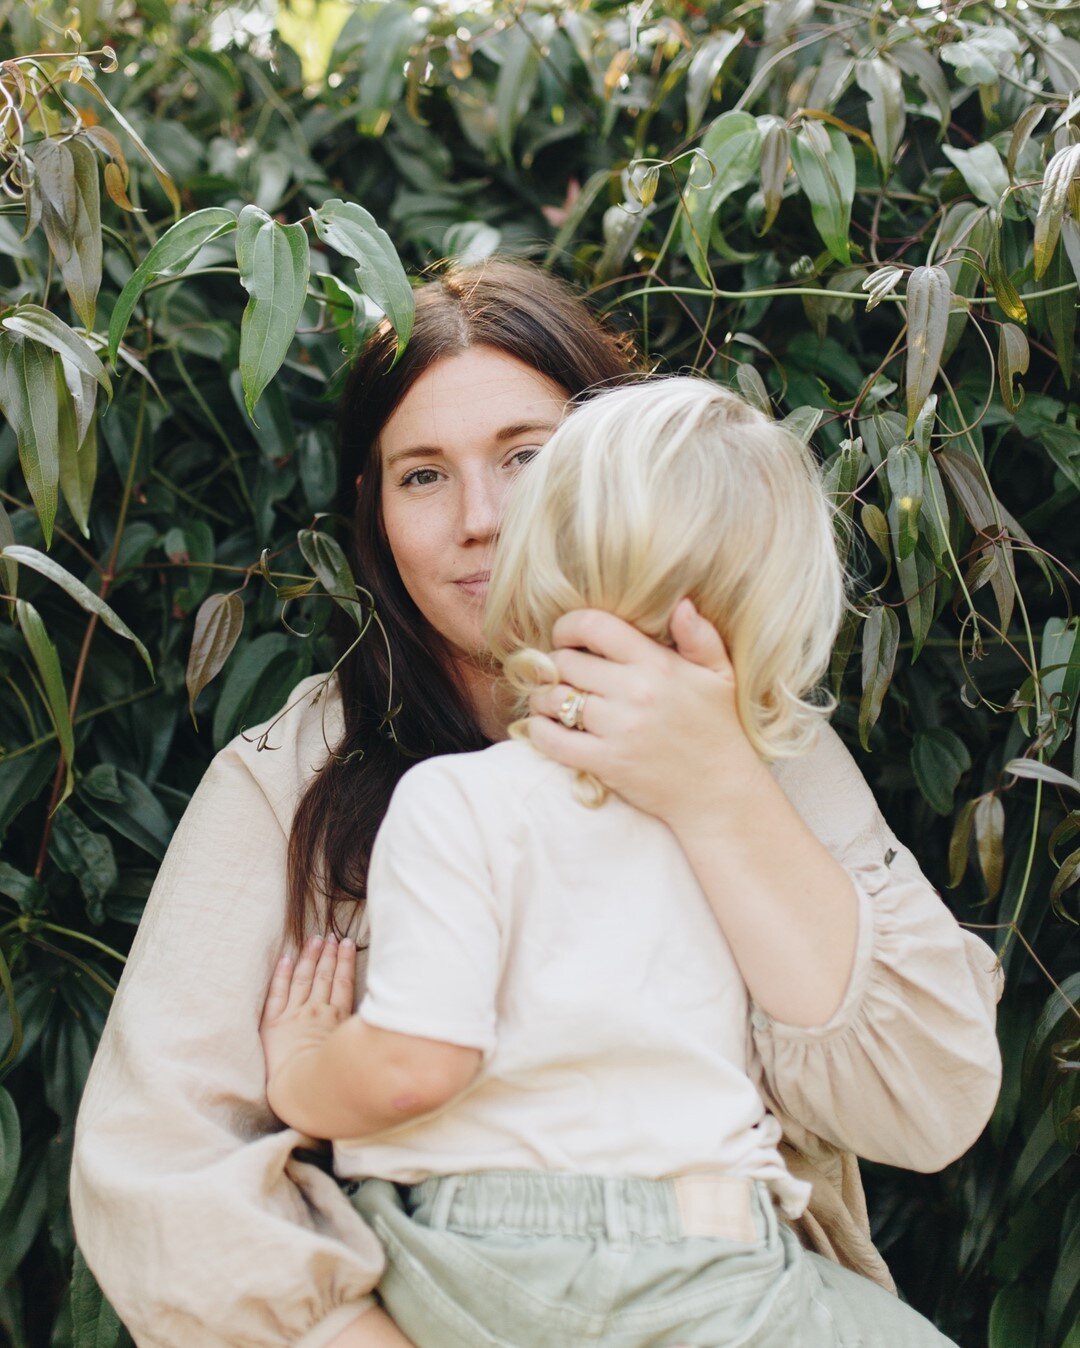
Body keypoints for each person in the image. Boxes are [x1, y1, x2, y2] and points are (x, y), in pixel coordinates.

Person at [69, 259, 1004, 1348]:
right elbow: (160, 1168)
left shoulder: (753, 737)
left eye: (527, 456)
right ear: (372, 513)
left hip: (730, 1300)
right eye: (422, 475)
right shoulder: (290, 777)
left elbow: (926, 1105)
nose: (481, 517)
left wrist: (716, 792)